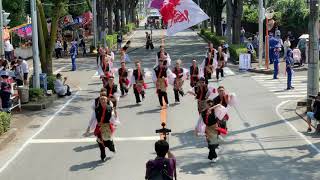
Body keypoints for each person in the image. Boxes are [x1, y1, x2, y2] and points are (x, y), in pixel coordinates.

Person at [94, 96, 116, 161]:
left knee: (108, 141)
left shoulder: (110, 108)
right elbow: (94, 118)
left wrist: (113, 123)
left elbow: (113, 117)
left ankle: (112, 148)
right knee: (100, 141)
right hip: (100, 127)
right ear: (100, 101)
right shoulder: (97, 109)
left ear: (106, 101)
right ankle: (103, 156)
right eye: (101, 100)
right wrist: (89, 128)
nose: (103, 101)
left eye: (104, 100)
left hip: (107, 127)